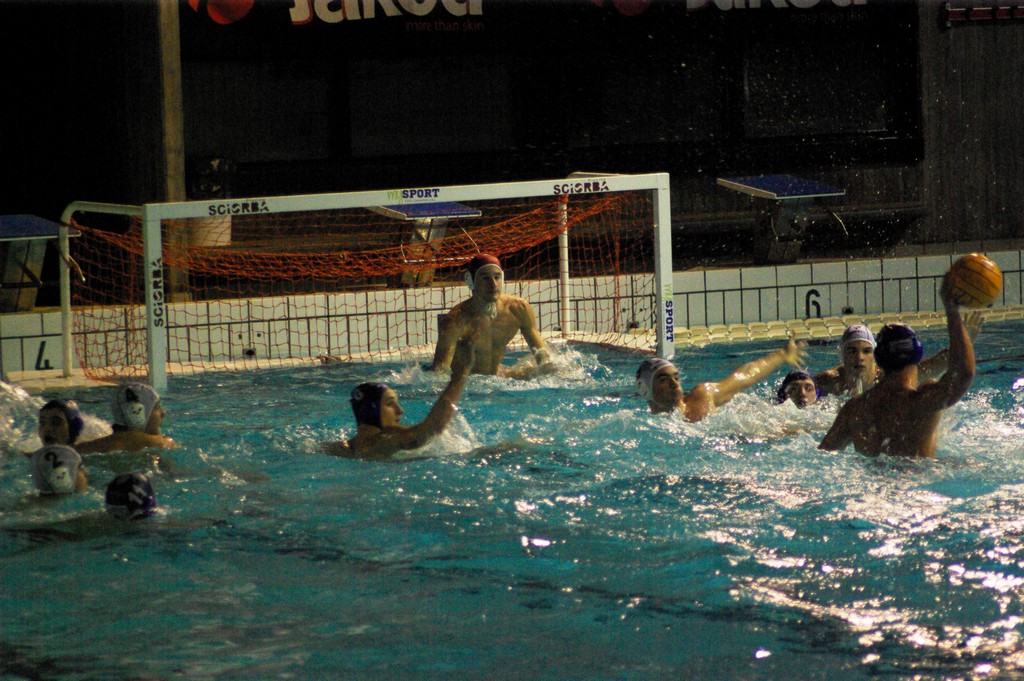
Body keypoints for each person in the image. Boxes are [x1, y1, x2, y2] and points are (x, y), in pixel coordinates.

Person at [818, 276, 975, 458]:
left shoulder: (854, 409)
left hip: (872, 475)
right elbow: (964, 374)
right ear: (917, 354)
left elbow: (822, 455)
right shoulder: (923, 401)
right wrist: (952, 309)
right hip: (918, 475)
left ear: (878, 358)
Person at [324, 334, 475, 460]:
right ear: (371, 409)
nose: (400, 410)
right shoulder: (385, 440)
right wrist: (461, 375)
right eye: (390, 404)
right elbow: (430, 431)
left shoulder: (339, 449)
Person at [429, 254, 554, 379]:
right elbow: (439, 373)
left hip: (498, 377)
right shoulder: (455, 320)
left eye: (497, 277)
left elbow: (543, 356)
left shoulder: (518, 309)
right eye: (485, 278)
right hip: (466, 380)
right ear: (471, 281)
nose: (493, 284)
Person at [636, 336, 808, 422]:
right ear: (645, 389)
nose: (675, 384)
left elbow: (744, 377)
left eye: (676, 377)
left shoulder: (702, 396)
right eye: (663, 380)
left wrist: (782, 355)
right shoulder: (644, 422)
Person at [816, 315, 983, 398]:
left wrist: (964, 341)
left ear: (875, 355)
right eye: (852, 351)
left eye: (866, 351)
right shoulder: (829, 381)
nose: (859, 357)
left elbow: (934, 365)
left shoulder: (889, 376)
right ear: (842, 354)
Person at [77, 383, 176, 454]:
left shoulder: (90, 447)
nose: (163, 413)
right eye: (157, 407)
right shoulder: (160, 443)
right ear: (139, 414)